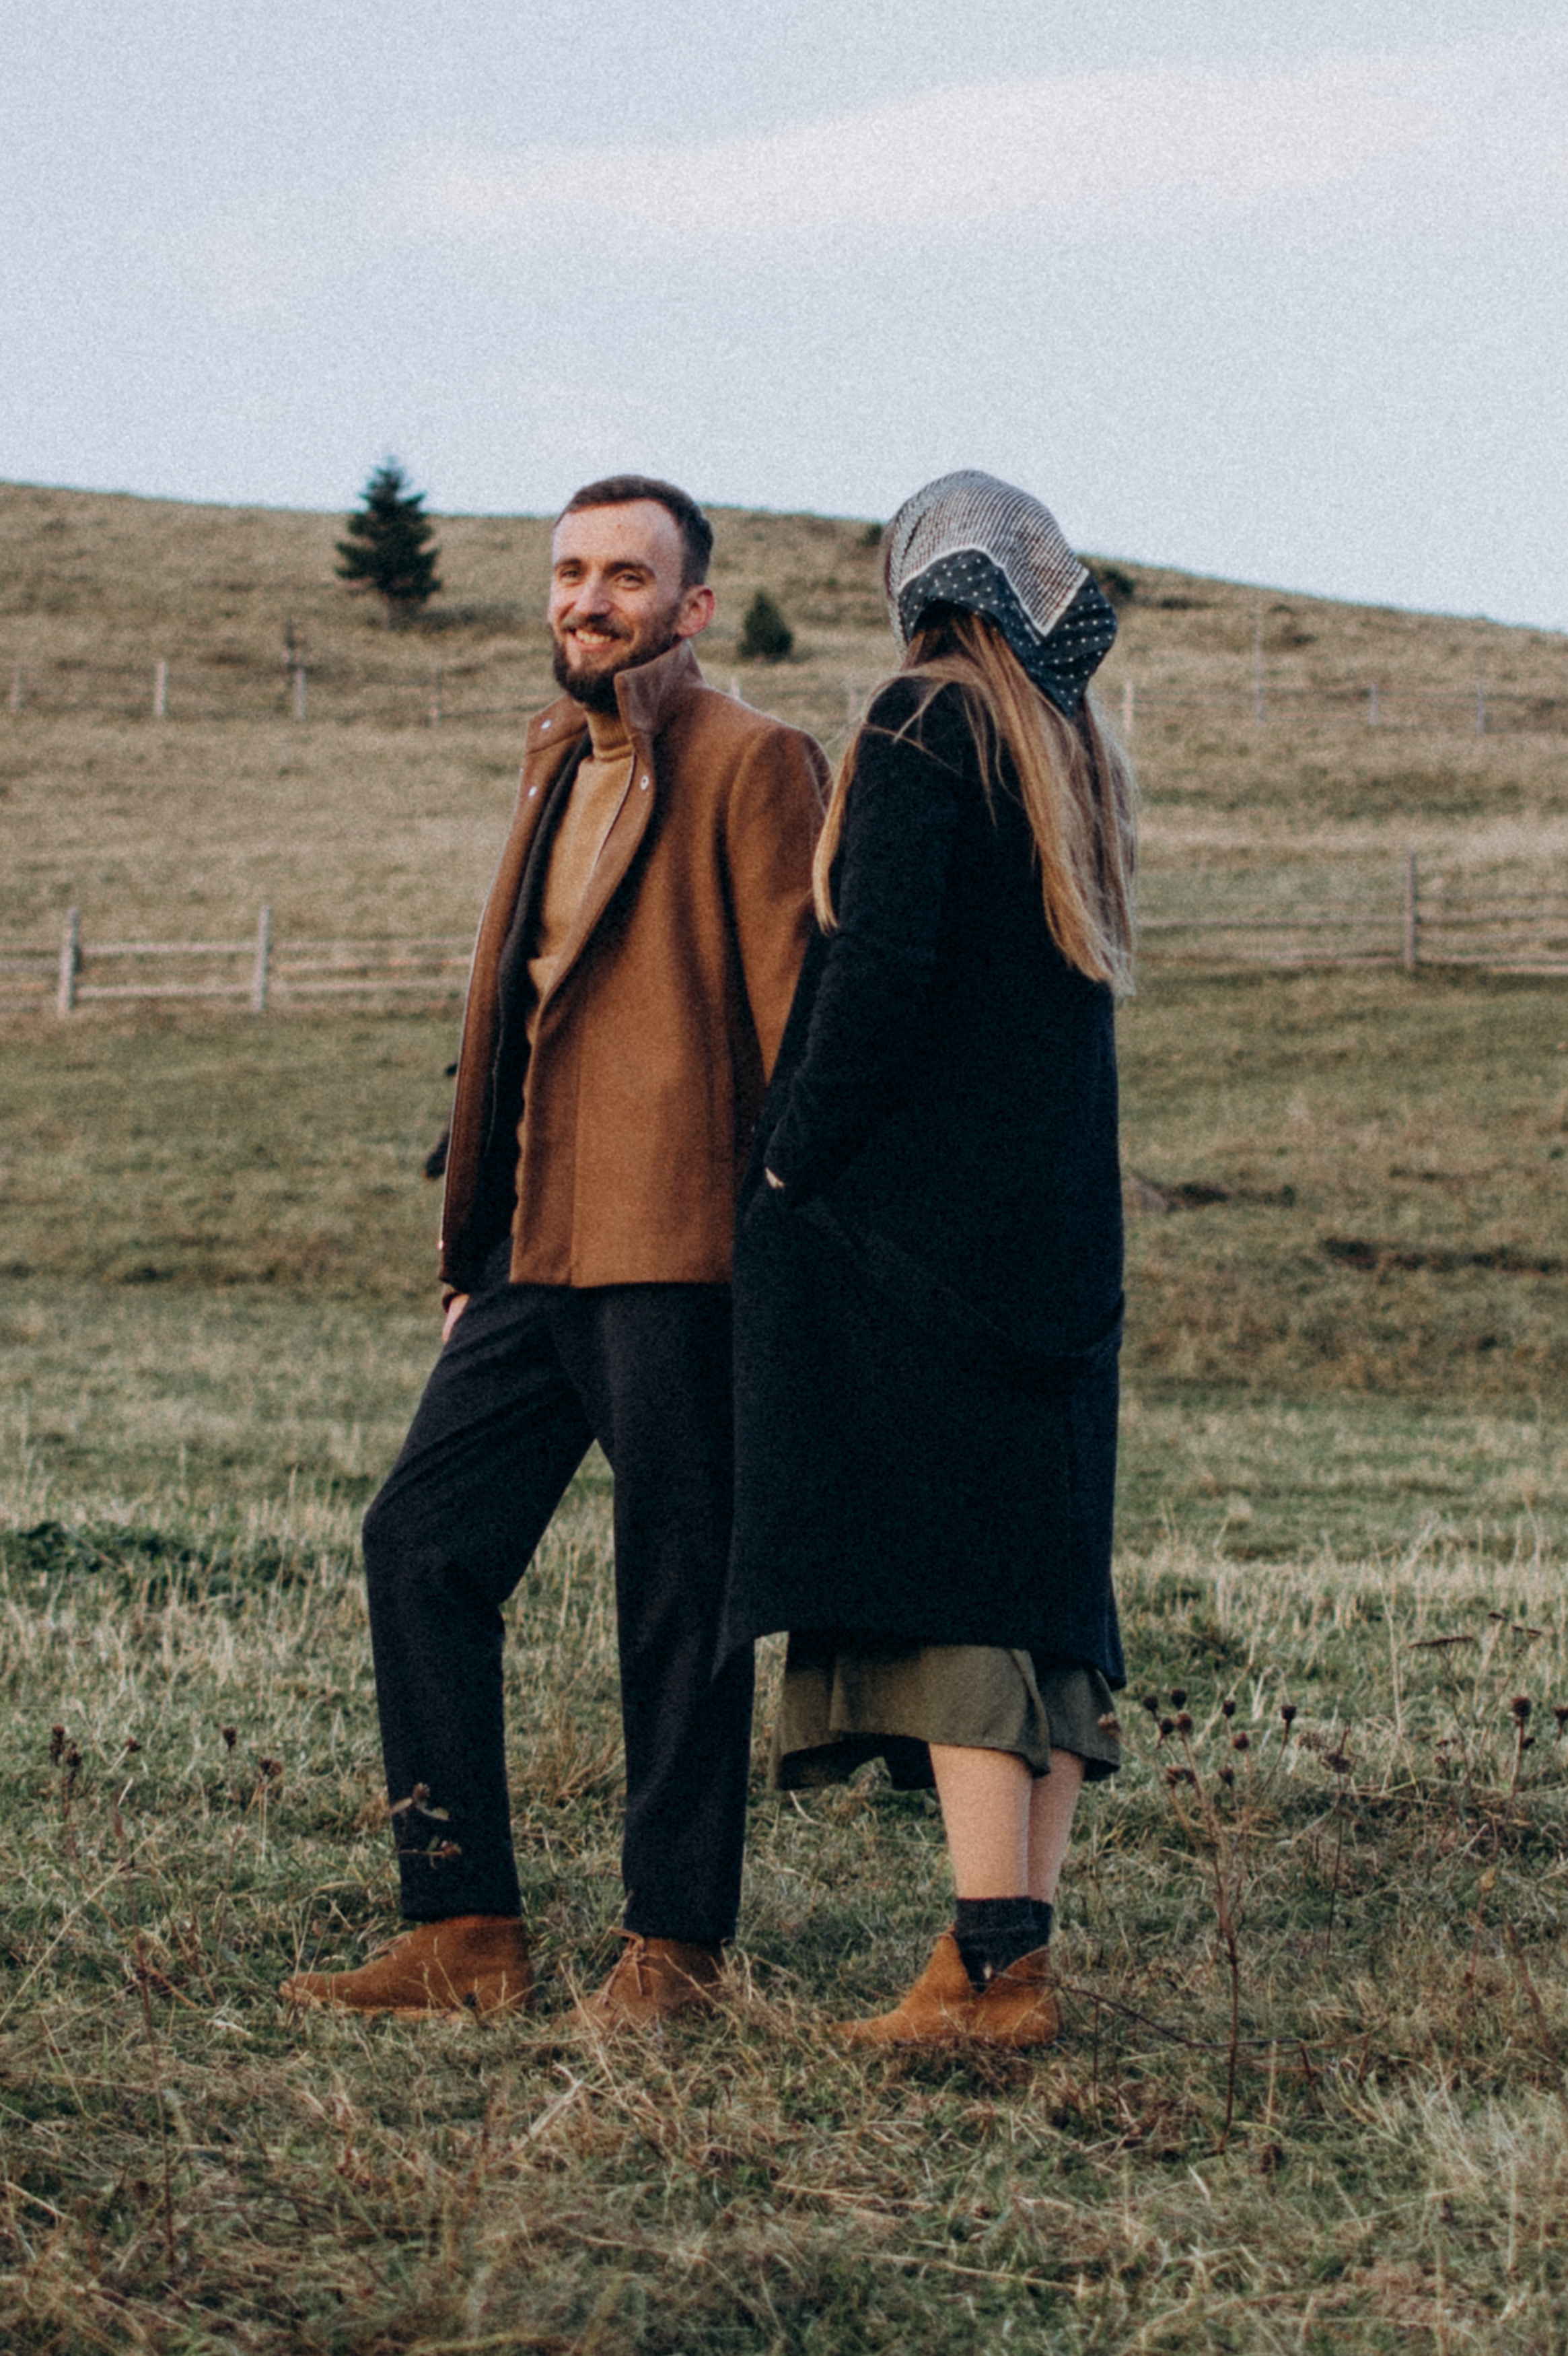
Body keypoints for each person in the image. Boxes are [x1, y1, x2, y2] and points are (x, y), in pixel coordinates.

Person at [282, 476, 826, 2028]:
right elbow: (517, 1026)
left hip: (681, 1247)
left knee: (675, 1589)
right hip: (532, 1251)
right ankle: (462, 1928)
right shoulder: (551, 758)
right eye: (571, 571)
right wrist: (474, 1237)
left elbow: (799, 1023)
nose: (591, 599)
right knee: (420, 1543)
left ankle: (677, 1949)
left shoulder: (753, 759)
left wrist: (789, 1255)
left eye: (628, 576)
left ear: (692, 606)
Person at [720, 471, 1136, 2048]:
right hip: (1052, 1247)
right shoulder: (1067, 755)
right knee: (1041, 1595)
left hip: (919, 1245)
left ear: (920, 586)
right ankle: (1014, 1955)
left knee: (961, 1591)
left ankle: (980, 1965)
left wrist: (785, 1157)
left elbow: (878, 979)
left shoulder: (914, 726)